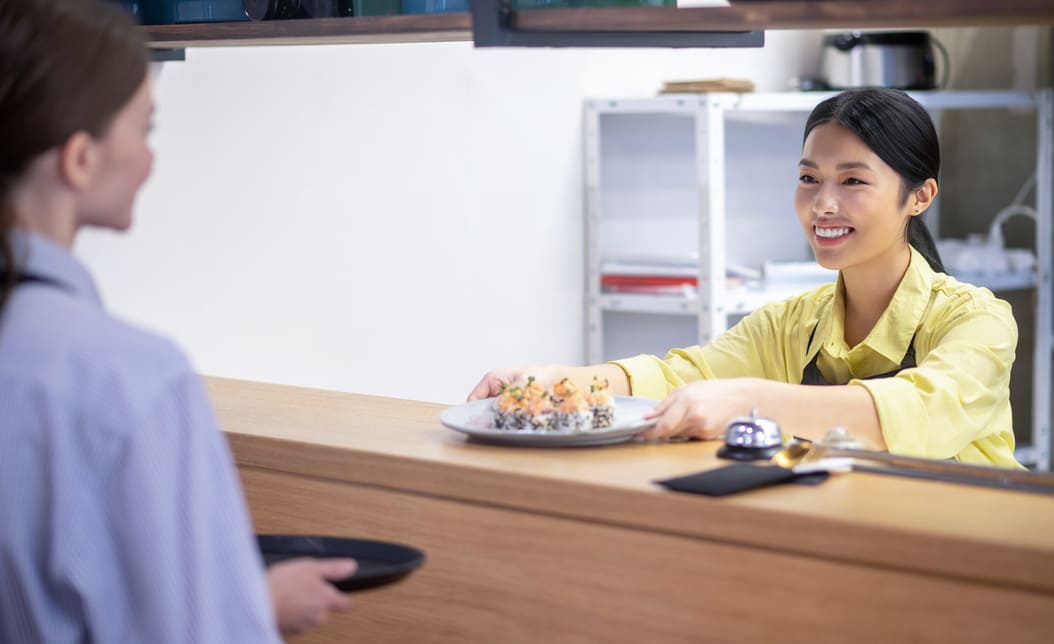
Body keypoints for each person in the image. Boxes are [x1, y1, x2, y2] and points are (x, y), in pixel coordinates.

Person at [0, 1, 354, 640]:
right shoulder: (132, 380)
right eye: (146, 130)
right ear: (80, 159)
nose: (149, 160)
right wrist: (257, 607)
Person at [470, 88, 1022, 469]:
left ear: (920, 196)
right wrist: (558, 383)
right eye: (809, 178)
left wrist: (746, 399)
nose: (822, 204)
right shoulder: (792, 322)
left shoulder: (977, 321)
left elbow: (914, 412)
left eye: (853, 180)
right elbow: (681, 374)